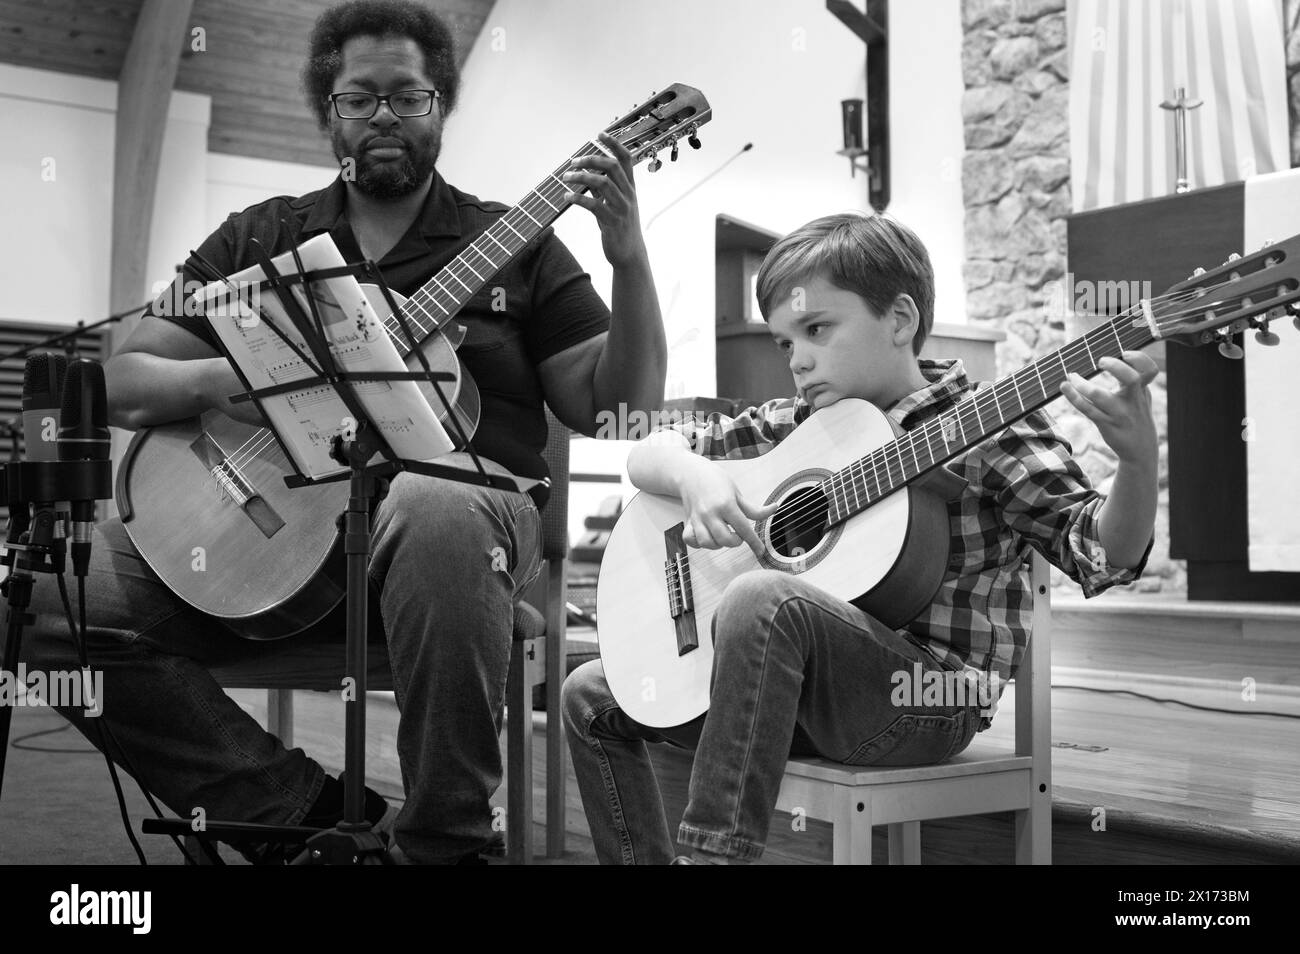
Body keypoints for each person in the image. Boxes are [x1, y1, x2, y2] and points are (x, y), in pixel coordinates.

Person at [21, 0, 665, 864]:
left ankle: (443, 846)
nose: (386, 117)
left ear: (441, 106)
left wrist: (629, 259)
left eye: (410, 96)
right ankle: (302, 821)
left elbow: (617, 409)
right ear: (331, 112)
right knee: (39, 600)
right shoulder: (260, 236)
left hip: (461, 548)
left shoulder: (518, 244)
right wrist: (237, 374)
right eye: (360, 98)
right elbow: (123, 377)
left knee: (436, 507)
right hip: (275, 540)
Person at [563, 212, 1157, 864]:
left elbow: (1103, 554)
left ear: (899, 319)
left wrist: (1136, 461)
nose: (799, 360)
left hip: (923, 702)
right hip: (788, 691)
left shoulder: (991, 423)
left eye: (816, 329)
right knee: (589, 694)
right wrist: (693, 475)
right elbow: (648, 448)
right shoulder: (796, 424)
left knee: (765, 597)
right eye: (786, 343)